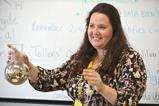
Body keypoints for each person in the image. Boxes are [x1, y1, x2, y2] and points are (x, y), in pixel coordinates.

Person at [7, 3, 147, 106]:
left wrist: (102, 87)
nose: (95, 31)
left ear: (115, 31)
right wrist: (27, 64)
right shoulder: (82, 57)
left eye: (102, 27)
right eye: (91, 26)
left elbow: (130, 101)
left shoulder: (129, 59)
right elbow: (48, 80)